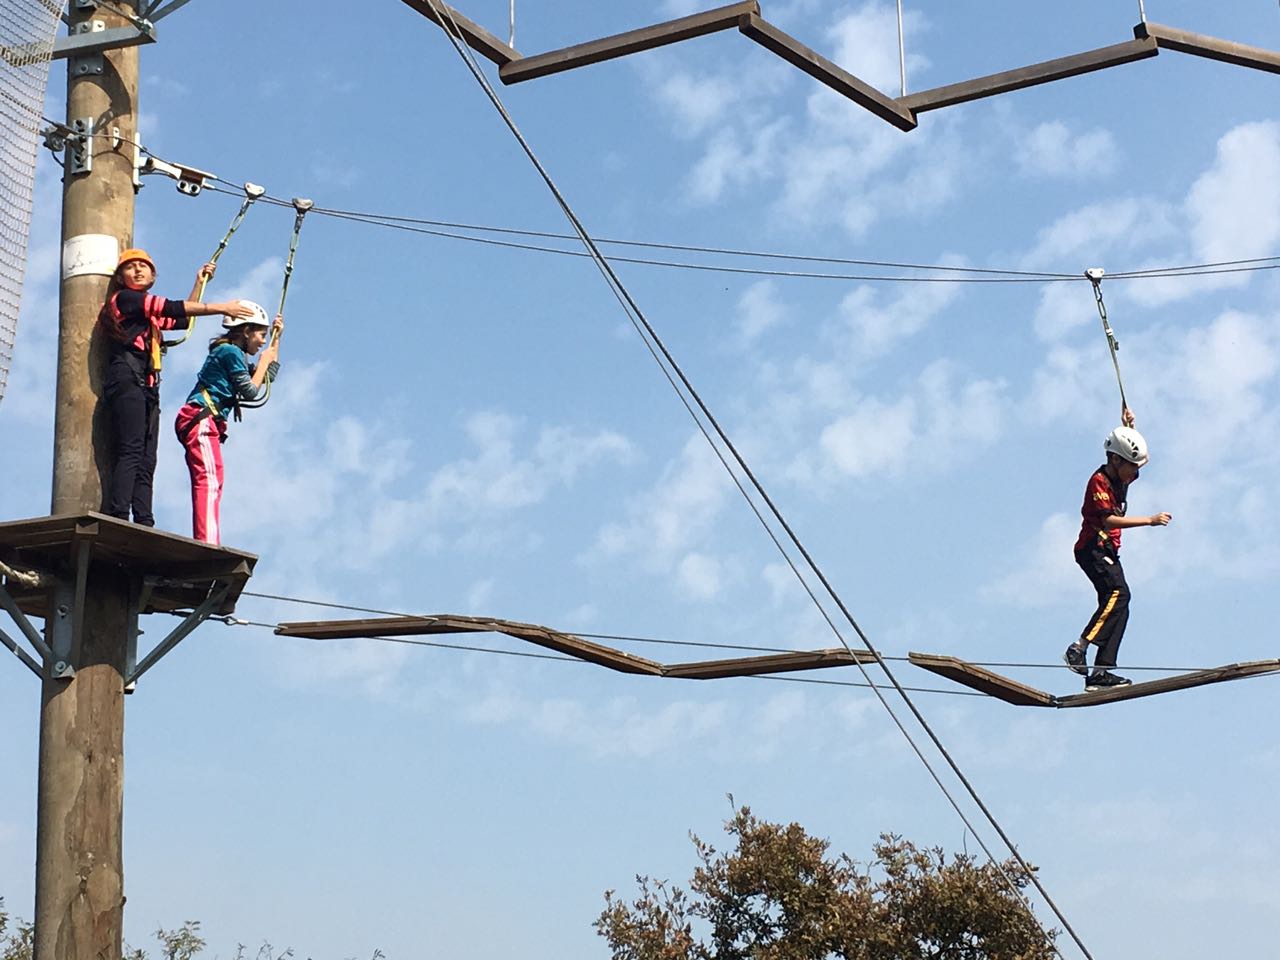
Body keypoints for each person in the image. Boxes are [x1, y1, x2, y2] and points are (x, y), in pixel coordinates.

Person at [98, 248, 255, 527]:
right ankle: (119, 514)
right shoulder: (126, 300)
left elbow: (181, 320)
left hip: (145, 386)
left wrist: (199, 283)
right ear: (120, 278)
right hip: (126, 379)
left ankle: (144, 519)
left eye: (143, 266)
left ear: (153, 275)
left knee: (147, 458)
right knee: (132, 449)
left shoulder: (146, 315)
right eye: (131, 267)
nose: (137, 270)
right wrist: (222, 307)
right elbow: (172, 307)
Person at [1063, 410, 1172, 690]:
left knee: (1119, 606)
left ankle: (1100, 672)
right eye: (1131, 467)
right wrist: (1149, 520)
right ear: (1115, 460)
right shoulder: (1098, 482)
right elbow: (1108, 520)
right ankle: (1078, 648)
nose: (1135, 474)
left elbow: (1135, 453)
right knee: (1118, 594)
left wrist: (1130, 428)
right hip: (1093, 549)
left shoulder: (1122, 474)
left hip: (1107, 550)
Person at [174, 304, 282, 544]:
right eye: (261, 335)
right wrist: (264, 360)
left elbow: (267, 378)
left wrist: (276, 343)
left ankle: (208, 538)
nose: (262, 341)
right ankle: (208, 542)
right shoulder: (230, 352)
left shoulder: (234, 355)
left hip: (204, 421)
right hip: (201, 417)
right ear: (246, 331)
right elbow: (251, 391)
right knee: (209, 480)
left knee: (214, 479)